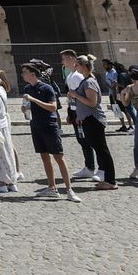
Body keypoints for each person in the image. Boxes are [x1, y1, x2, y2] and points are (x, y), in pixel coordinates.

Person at [18, 63, 79, 201]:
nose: (22, 75)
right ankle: (52, 187)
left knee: (59, 157)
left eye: (24, 72)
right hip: (36, 125)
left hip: (49, 125)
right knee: (44, 157)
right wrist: (25, 108)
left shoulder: (46, 88)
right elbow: (27, 106)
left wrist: (33, 100)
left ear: (33, 73)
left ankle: (69, 189)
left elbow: (53, 107)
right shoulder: (27, 88)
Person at [67, 56, 116, 190]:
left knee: (102, 150)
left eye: (77, 65)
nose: (75, 68)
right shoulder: (86, 81)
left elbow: (92, 102)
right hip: (88, 119)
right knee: (99, 150)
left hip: (94, 120)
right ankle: (107, 179)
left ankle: (111, 181)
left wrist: (75, 95)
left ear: (83, 66)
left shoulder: (89, 82)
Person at [59, 50, 97, 180]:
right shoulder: (71, 75)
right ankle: (89, 166)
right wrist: (70, 112)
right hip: (75, 110)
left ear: (71, 59)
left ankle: (91, 167)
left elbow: (80, 96)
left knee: (86, 139)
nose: (62, 62)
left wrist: (77, 112)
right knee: (82, 139)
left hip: (81, 112)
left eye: (64, 59)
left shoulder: (77, 76)